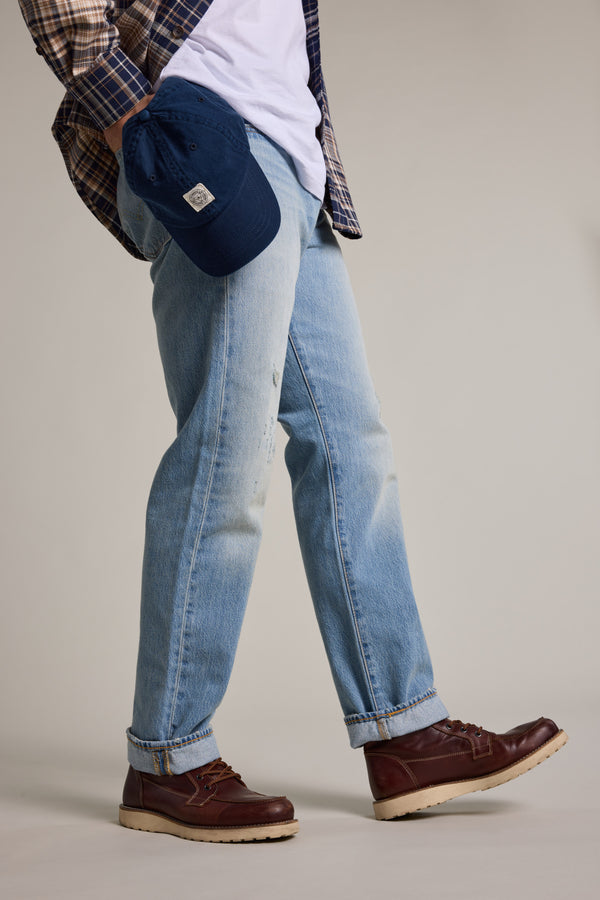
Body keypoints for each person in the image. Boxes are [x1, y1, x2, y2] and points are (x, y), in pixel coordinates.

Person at [19, 0, 567, 843]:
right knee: (224, 455)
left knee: (353, 449)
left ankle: (404, 730)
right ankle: (165, 755)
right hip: (206, 125)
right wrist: (132, 114)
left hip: (291, 153)